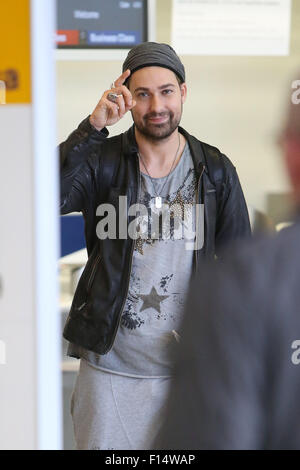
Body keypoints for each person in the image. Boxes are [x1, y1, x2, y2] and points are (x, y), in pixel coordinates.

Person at [59, 42, 251, 450]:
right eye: (142, 94)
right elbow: (47, 196)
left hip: (189, 372)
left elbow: (242, 268)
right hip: (109, 370)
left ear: (183, 92)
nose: (156, 105)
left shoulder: (215, 170)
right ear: (126, 100)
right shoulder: (102, 161)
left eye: (166, 91)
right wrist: (91, 129)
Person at [153, 77, 300, 450]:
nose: (155, 105)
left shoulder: (242, 283)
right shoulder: (244, 280)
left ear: (290, 153)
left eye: (166, 90)